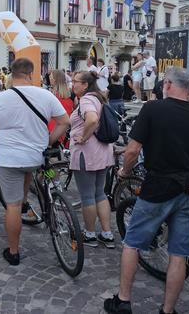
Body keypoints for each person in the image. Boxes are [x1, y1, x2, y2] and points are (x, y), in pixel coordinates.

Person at [105, 67, 189, 314]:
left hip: (159, 186)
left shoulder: (153, 108)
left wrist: (123, 172)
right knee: (179, 253)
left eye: (164, 83)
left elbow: (132, 150)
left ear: (169, 85)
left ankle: (123, 300)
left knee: (132, 243)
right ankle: (168, 310)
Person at [0, 58, 70, 266]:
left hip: (8, 159)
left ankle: (13, 252)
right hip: (35, 157)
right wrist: (48, 140)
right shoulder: (45, 95)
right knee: (35, 172)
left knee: (11, 205)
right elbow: (64, 121)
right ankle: (40, 195)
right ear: (31, 74)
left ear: (11, 75)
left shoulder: (0, 98)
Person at [71, 70, 115, 248]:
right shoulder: (100, 97)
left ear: (85, 85)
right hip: (103, 153)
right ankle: (107, 233)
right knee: (100, 193)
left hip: (86, 154)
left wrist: (83, 137)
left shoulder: (87, 99)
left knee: (88, 196)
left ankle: (89, 234)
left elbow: (92, 120)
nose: (73, 84)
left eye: (76, 82)